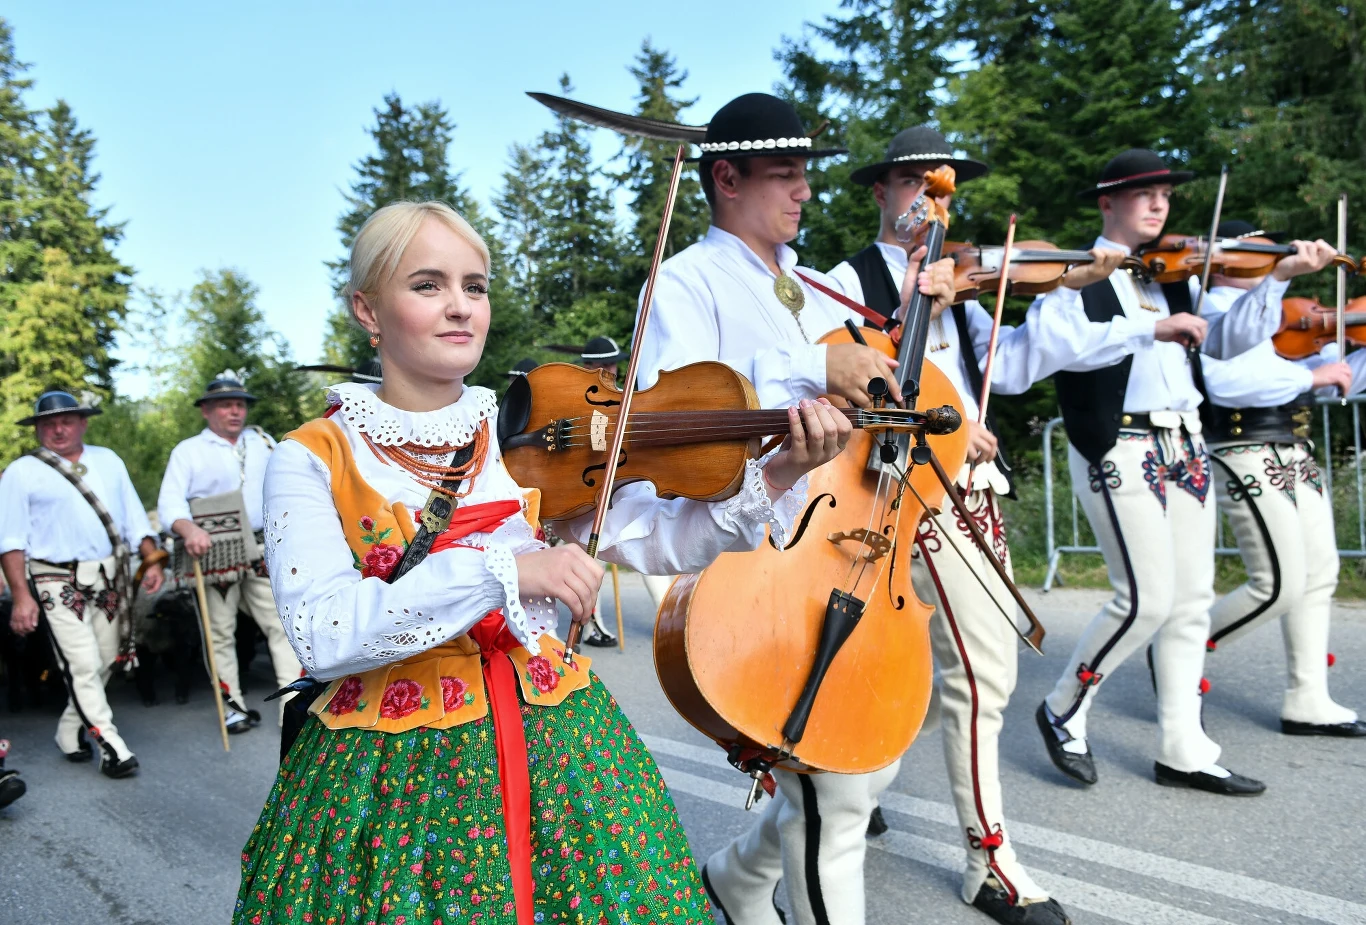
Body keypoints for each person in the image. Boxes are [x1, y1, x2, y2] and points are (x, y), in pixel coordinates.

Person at [233, 200, 851, 925]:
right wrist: (509, 569)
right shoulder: (311, 455)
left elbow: (658, 542)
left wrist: (773, 478)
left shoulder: (524, 440)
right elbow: (324, 633)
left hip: (558, 742)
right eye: (427, 285)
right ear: (368, 310)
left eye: (476, 285)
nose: (460, 306)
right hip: (393, 769)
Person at [634, 93, 960, 925]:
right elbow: (682, 418)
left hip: (841, 543)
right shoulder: (685, 282)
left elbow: (869, 397)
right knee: (834, 785)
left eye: (805, 174)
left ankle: (741, 875)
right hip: (756, 552)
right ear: (727, 178)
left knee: (862, 766)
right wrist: (812, 366)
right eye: (784, 174)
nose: (805, 192)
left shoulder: (814, 291)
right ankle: (754, 886)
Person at [1033, 150, 1342, 796]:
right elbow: (1057, 349)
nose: (1158, 205)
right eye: (1143, 193)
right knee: (1143, 597)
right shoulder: (1076, 275)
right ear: (1106, 203)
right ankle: (1063, 704)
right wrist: (1149, 331)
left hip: (1186, 441)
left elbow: (1226, 343)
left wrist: (1277, 279)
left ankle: (1183, 745)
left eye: (1165, 195)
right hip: (1119, 440)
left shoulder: (1173, 275)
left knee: (1192, 599)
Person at [826, 126, 1069, 925]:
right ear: (881, 192)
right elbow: (840, 378)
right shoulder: (849, 278)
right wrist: (909, 308)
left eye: (943, 187)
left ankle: (847, 785)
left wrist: (1073, 282)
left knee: (937, 672)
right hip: (911, 493)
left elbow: (1001, 373)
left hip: (973, 484)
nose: (931, 198)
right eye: (913, 183)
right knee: (983, 670)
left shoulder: (956, 281)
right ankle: (987, 859)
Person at [1198, 219, 1365, 737]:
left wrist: (1335, 367)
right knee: (1277, 584)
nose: (1266, 259)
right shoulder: (1210, 309)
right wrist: (1310, 375)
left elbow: (1340, 377)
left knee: (1320, 574)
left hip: (1295, 446)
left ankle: (1307, 698)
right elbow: (1227, 380)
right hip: (1241, 445)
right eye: (1255, 252)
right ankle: (1176, 648)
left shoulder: (1282, 315)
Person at [0, 391, 165, 778]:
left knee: (106, 659)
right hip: (54, 579)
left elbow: (134, 515)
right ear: (38, 428)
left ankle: (68, 728)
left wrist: (150, 557)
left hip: (109, 575)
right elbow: (10, 541)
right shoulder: (22, 471)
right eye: (48, 423)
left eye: (66, 421)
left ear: (83, 423)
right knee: (82, 663)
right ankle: (112, 747)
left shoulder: (108, 460)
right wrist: (22, 597)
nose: (58, 429)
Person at [158, 374, 302, 733]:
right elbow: (169, 503)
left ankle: (293, 708)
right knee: (220, 630)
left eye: (240, 404)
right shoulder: (188, 451)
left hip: (263, 545)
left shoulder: (264, 443)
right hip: (213, 551)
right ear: (206, 410)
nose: (235, 411)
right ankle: (233, 707)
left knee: (282, 625)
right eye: (226, 404)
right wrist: (187, 528)